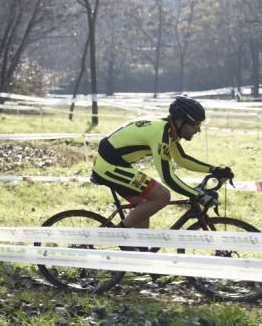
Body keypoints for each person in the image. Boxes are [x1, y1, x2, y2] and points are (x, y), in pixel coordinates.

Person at [91, 95, 233, 229]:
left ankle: (137, 250)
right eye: (195, 124)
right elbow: (168, 177)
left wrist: (215, 170)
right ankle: (116, 235)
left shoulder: (169, 130)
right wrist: (198, 195)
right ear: (180, 121)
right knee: (162, 196)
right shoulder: (161, 133)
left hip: (117, 163)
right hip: (108, 165)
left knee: (144, 206)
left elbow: (182, 159)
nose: (198, 130)